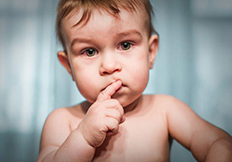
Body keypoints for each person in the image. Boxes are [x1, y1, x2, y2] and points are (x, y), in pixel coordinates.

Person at [37, 0, 232, 161]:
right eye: (90, 51)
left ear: (150, 52)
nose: (109, 66)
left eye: (125, 45)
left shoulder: (165, 110)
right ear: (68, 66)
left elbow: (218, 142)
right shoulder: (63, 121)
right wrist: (83, 137)